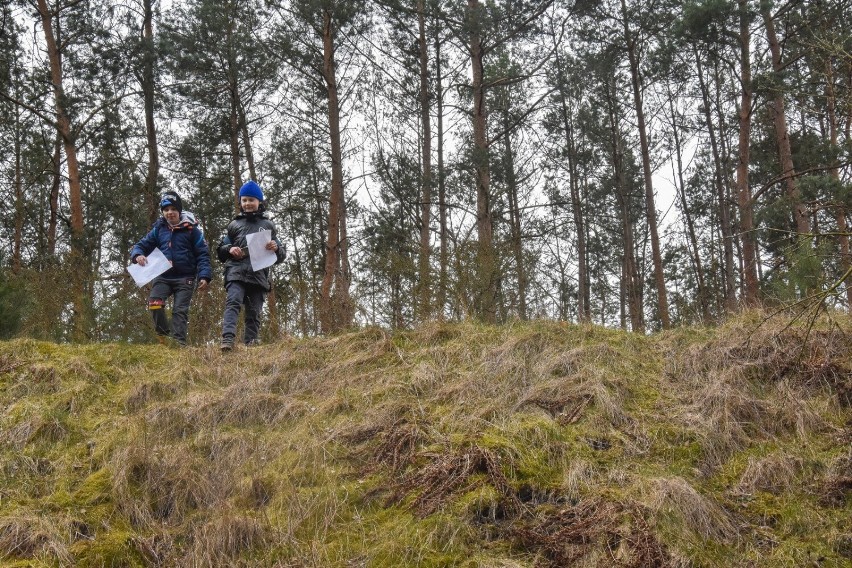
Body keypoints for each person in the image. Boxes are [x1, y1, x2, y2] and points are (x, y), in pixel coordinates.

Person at [130, 191, 211, 346]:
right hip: (162, 275)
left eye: (173, 209)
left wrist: (204, 276)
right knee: (154, 303)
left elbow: (203, 254)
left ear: (179, 210)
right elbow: (141, 245)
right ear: (163, 212)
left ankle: (179, 344)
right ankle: (164, 338)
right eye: (166, 210)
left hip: (185, 277)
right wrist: (138, 255)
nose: (170, 213)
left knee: (179, 311)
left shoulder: (192, 230)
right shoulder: (159, 229)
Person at [217, 180, 285, 351]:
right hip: (235, 272)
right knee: (233, 303)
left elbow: (281, 255)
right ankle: (227, 340)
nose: (247, 203)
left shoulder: (268, 225)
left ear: (259, 202)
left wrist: (276, 248)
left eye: (251, 200)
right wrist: (230, 249)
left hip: (259, 275)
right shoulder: (234, 225)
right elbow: (220, 251)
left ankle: (251, 343)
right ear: (240, 202)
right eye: (244, 200)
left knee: (254, 312)